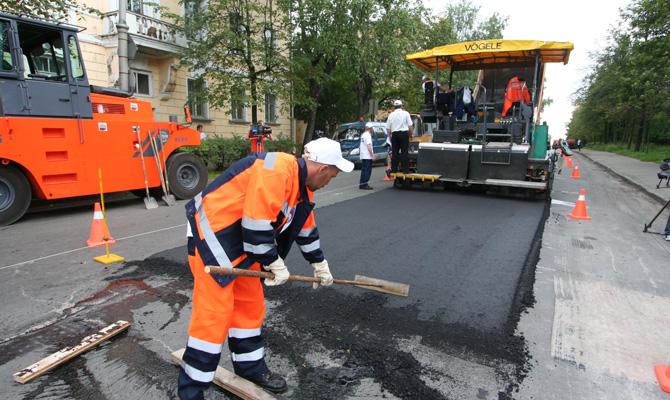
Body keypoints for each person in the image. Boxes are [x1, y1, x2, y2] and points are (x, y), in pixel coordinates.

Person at [177, 138, 354, 399]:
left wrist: (319, 264)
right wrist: (274, 262)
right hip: (212, 239)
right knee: (213, 317)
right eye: (333, 175)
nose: (331, 180)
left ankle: (250, 368)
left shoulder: (303, 187)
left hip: (241, 244)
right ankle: (191, 391)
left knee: (250, 307)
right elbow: (256, 223)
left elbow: (305, 228)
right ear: (322, 168)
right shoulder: (277, 168)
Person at [386, 100, 413, 174]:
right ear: (401, 106)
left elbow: (388, 128)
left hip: (394, 134)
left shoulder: (391, 115)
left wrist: (390, 137)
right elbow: (410, 126)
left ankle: (394, 170)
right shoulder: (406, 113)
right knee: (404, 152)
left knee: (395, 153)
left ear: (394, 107)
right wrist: (410, 134)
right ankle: (405, 170)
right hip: (404, 134)